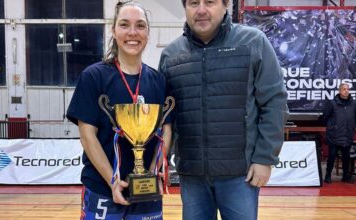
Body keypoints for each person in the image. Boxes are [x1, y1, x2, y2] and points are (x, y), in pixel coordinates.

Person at [158, 0, 288, 219]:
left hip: (240, 176)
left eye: (209, 2)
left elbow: (274, 102)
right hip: (192, 176)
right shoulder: (171, 54)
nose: (201, 10)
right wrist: (159, 163)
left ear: (226, 4)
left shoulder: (253, 42)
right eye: (193, 3)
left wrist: (264, 159)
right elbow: (167, 118)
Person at [66, 1, 172, 219]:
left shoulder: (159, 80)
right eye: (124, 25)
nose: (132, 32)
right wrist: (113, 181)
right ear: (113, 31)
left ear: (148, 33)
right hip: (101, 189)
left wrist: (152, 174)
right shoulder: (93, 76)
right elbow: (88, 136)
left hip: (146, 195)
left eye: (140, 25)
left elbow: (166, 131)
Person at [323, 83, 355, 184]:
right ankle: (328, 176)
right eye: (344, 89)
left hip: (347, 135)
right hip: (334, 136)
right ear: (339, 91)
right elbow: (325, 117)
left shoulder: (353, 104)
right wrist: (332, 127)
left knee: (346, 158)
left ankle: (346, 176)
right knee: (331, 157)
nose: (346, 91)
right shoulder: (332, 103)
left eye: (347, 89)